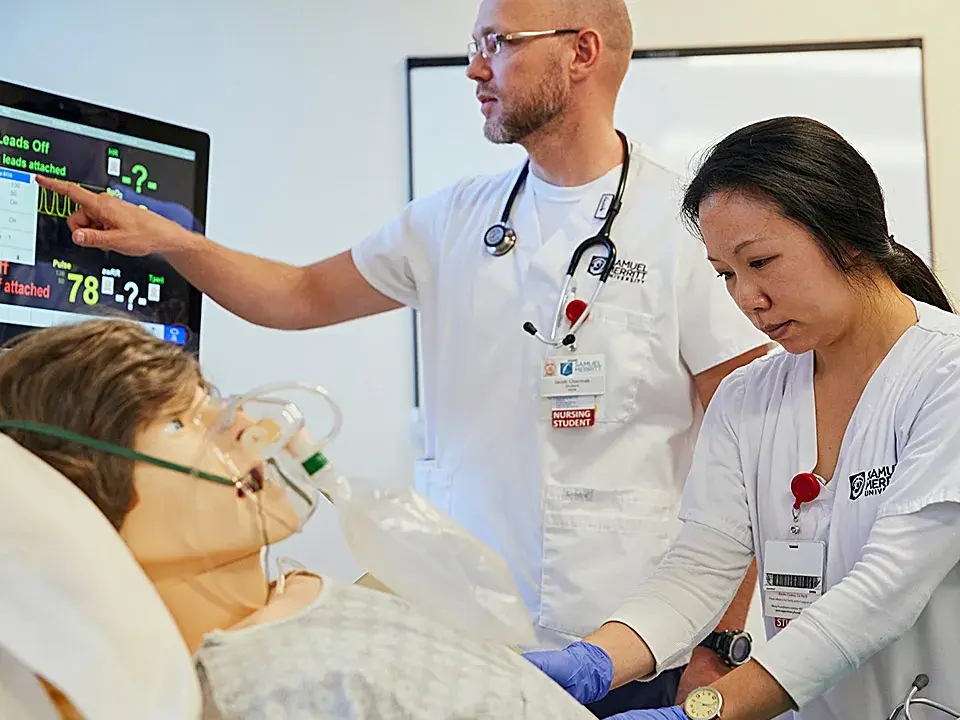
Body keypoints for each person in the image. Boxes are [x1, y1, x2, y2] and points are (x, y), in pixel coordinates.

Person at [34, 0, 768, 711]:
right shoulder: (453, 219)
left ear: (582, 51)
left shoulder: (684, 229)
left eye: (498, 42)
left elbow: (748, 457)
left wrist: (722, 641)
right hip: (468, 641)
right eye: (475, 44)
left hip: (633, 651)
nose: (474, 67)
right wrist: (171, 241)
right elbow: (298, 294)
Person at [523, 116, 960, 720]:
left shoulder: (945, 375)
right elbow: (699, 569)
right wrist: (595, 659)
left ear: (847, 237)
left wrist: (704, 711)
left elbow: (883, 592)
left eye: (762, 261)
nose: (748, 299)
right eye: (726, 273)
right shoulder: (748, 396)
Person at [0, 318, 606, 720]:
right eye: (179, 422)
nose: (247, 425)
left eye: (211, 399)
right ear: (79, 493)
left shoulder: (297, 589)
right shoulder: (267, 691)